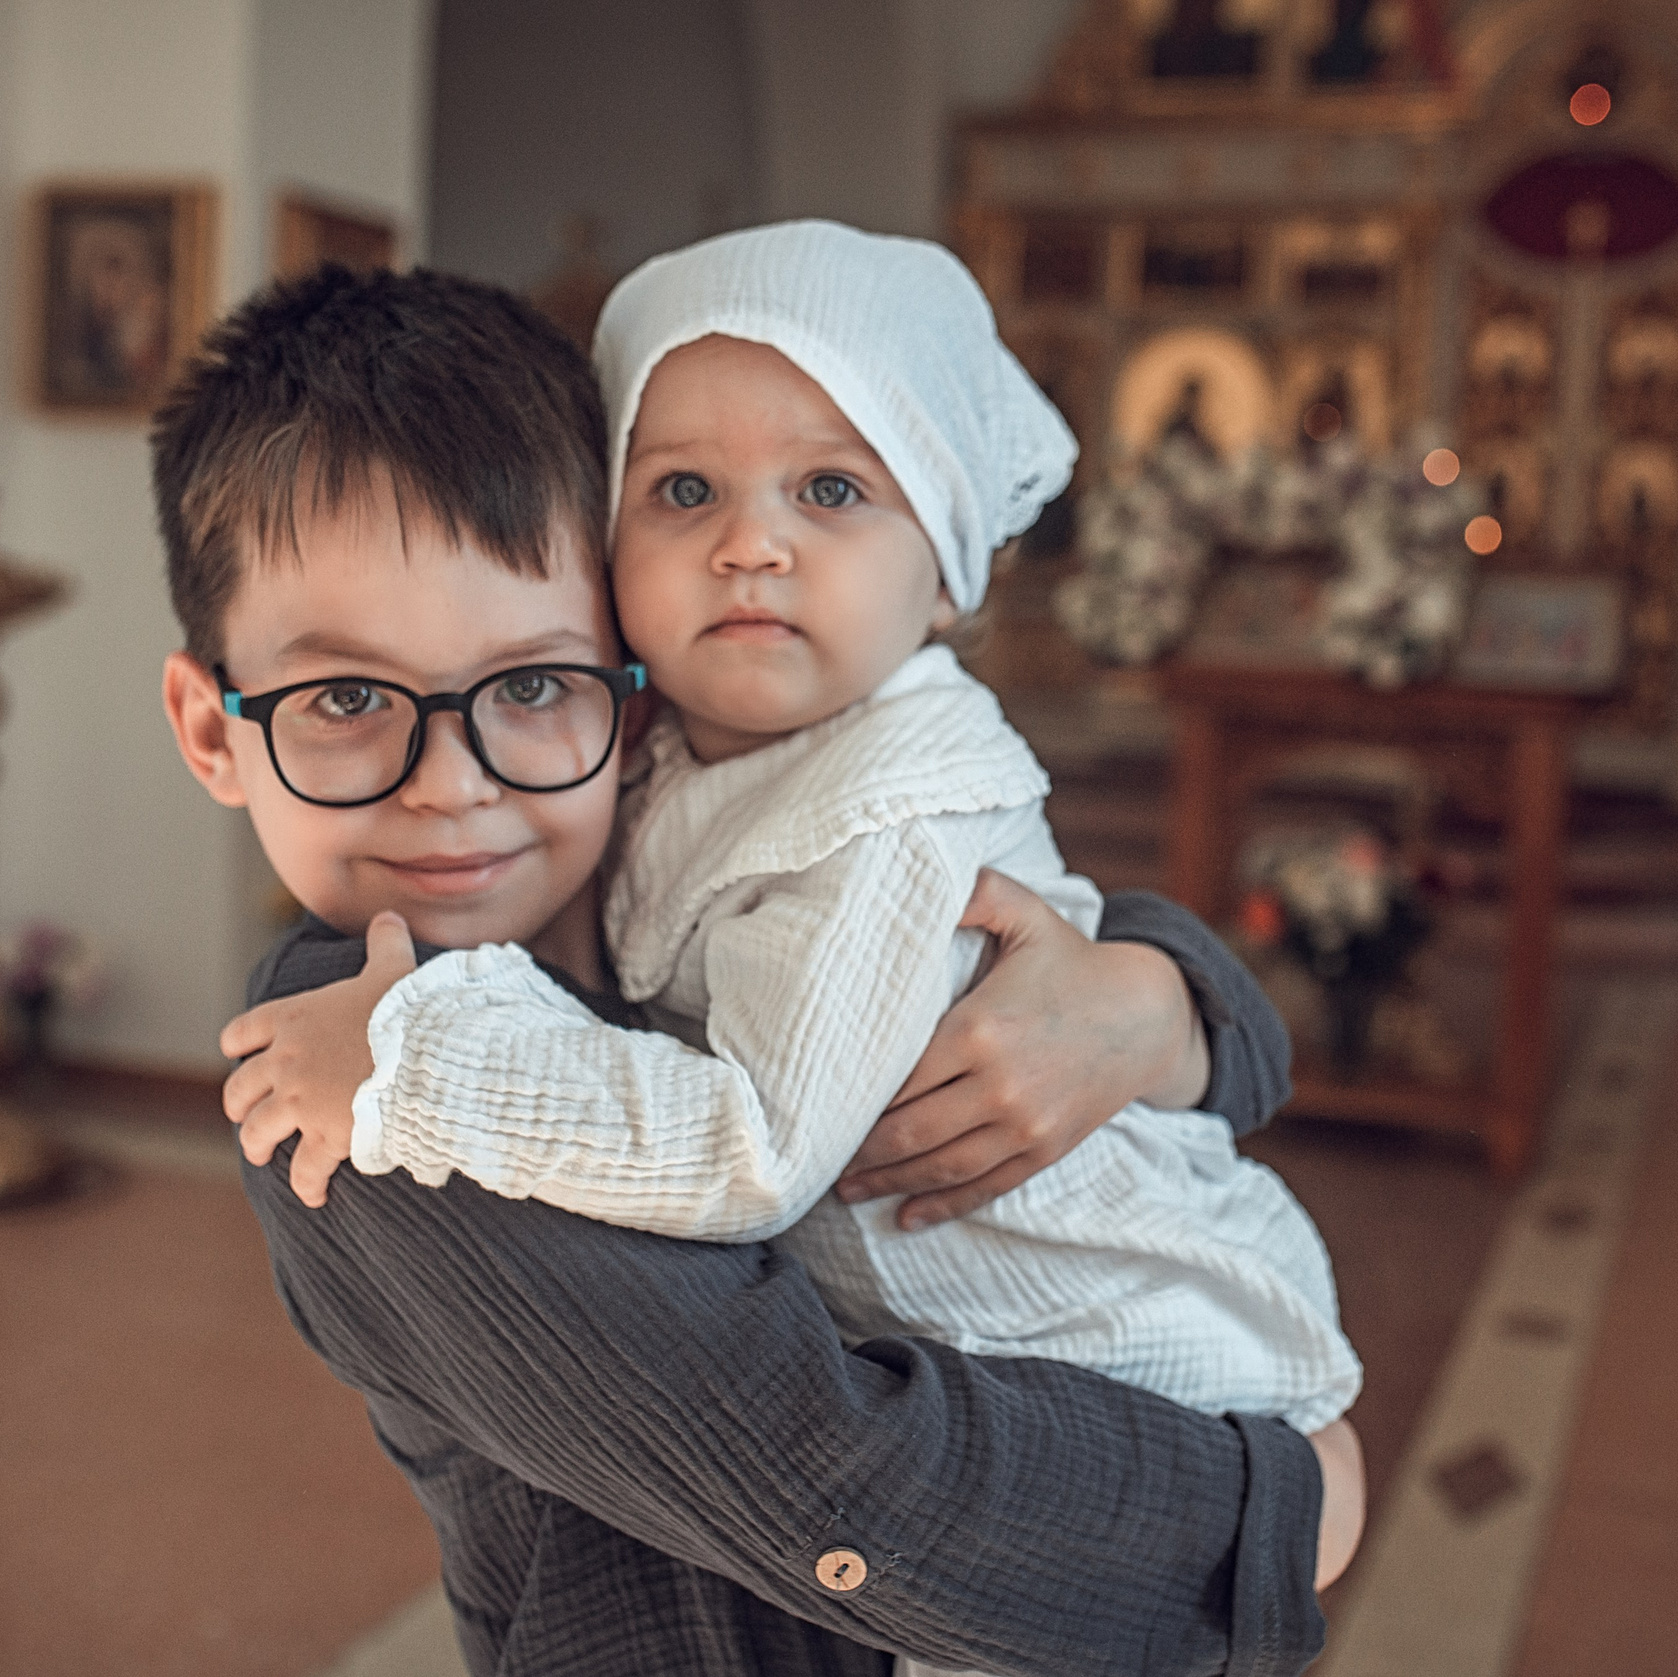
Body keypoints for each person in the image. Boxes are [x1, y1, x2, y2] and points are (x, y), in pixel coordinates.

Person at [159, 264, 1358, 1676]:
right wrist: (1286, 1507)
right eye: (346, 699)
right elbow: (829, 1477)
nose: (453, 786)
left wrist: (1157, 1010)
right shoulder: (358, 1068)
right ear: (213, 727)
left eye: (534, 684)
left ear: (633, 665)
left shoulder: (679, 817)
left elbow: (1069, 941)